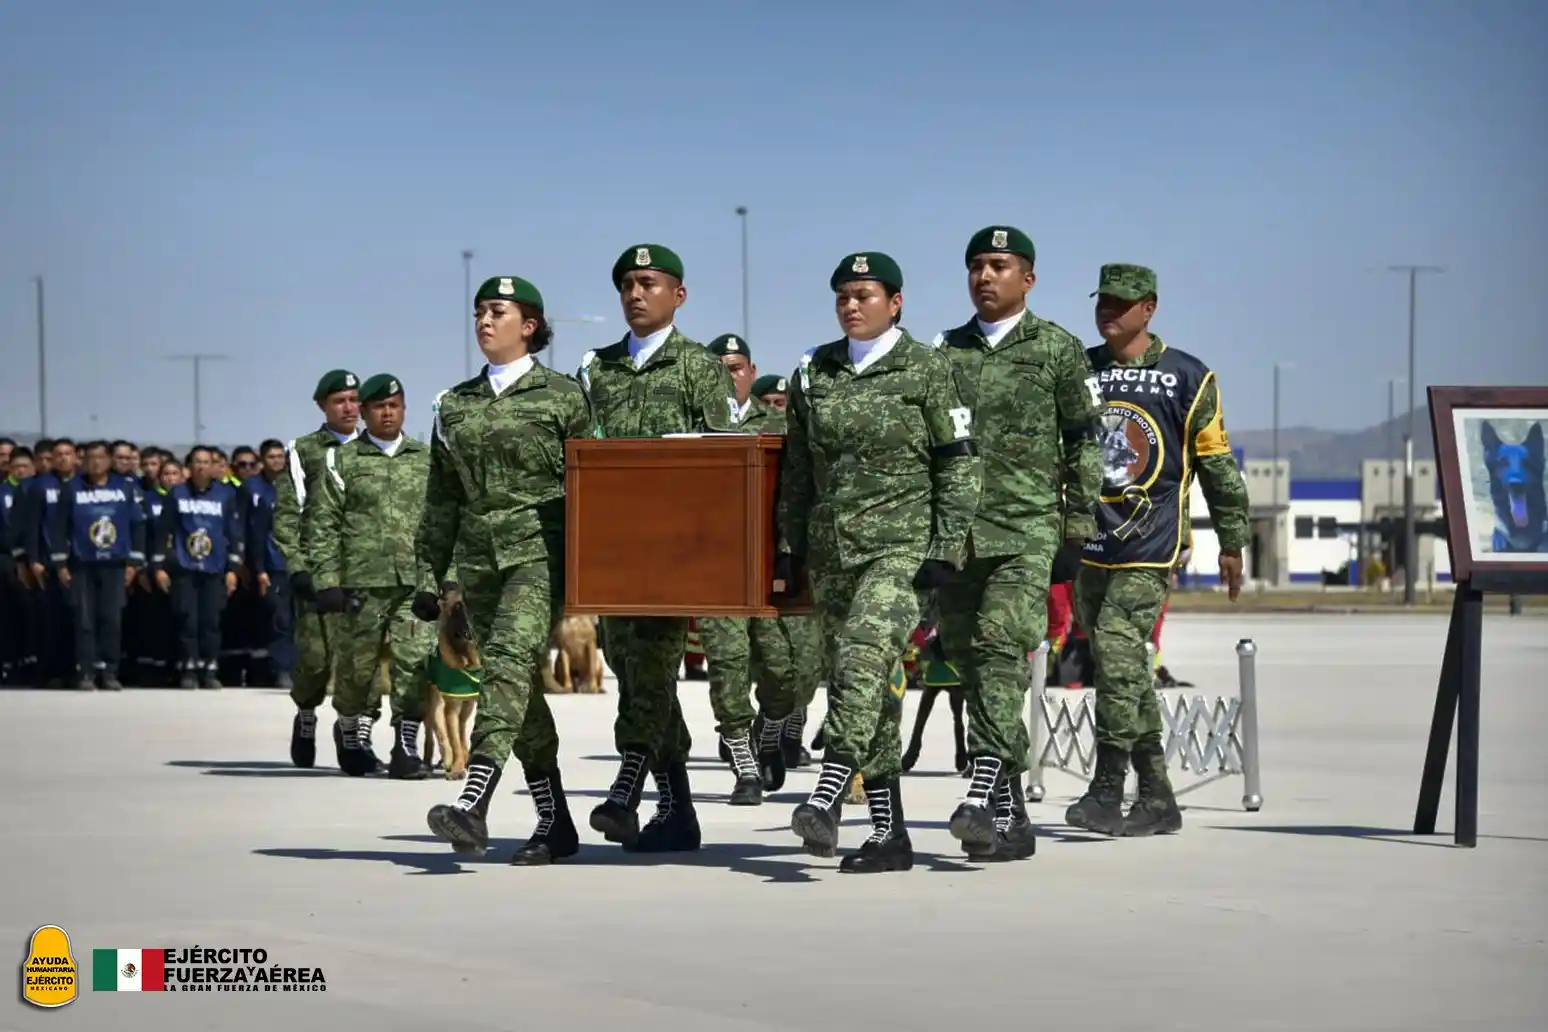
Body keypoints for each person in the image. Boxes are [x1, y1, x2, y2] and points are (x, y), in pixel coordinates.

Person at [776, 251, 982, 873]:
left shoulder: (928, 369)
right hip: (834, 552)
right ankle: (890, 834)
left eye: (864, 294)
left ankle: (829, 788)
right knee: (872, 691)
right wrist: (790, 550)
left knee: (863, 659)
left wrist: (947, 547)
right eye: (842, 295)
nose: (851, 305)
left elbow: (960, 460)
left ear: (895, 302)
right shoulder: (814, 371)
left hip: (902, 550)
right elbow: (799, 472)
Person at [930, 225, 1104, 861]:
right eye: (976, 265)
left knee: (1003, 657)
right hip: (959, 539)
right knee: (969, 664)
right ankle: (1012, 819)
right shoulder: (943, 352)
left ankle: (979, 791)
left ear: (1026, 278)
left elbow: (1087, 440)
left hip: (1027, 532)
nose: (984, 276)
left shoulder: (1057, 349)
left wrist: (1077, 528)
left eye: (998, 266)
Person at [1070, 263, 1250, 837]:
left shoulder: (1188, 377)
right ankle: (1157, 796)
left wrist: (1232, 540)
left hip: (1150, 543)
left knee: (1121, 654)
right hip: (1089, 544)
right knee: (1120, 671)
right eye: (1103, 302)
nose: (1109, 313)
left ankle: (1106, 786)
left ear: (1149, 308)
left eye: (1122, 304)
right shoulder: (1079, 370)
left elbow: (1218, 464)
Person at [420, 275, 594, 865]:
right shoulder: (454, 403)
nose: (484, 321)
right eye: (479, 312)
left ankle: (475, 799)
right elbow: (442, 497)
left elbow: (590, 485)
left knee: (513, 667)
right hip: (479, 561)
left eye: (497, 311)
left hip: (540, 556)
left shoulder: (565, 396)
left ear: (530, 326)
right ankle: (555, 822)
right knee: (514, 688)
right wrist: (429, 576)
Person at [579, 244, 737, 854]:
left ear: (679, 294)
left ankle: (627, 785)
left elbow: (721, 460)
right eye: (627, 284)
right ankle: (677, 811)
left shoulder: (699, 366)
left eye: (648, 283)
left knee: (650, 668)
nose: (635, 293)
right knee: (634, 671)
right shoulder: (599, 368)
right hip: (617, 552)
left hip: (677, 554)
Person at [696, 334, 823, 804]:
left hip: (764, 565)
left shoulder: (777, 425)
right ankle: (744, 764)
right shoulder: (694, 425)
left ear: (751, 371)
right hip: (713, 569)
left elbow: (794, 493)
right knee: (727, 667)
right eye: (719, 369)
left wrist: (791, 552)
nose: (728, 377)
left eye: (736, 368)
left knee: (785, 671)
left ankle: (769, 732)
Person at [307, 373, 436, 777]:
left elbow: (442, 522)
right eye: (379, 407)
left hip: (413, 584)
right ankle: (351, 734)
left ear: (403, 409)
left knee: (414, 664)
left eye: (394, 405)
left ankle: (406, 745)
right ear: (363, 412)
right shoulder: (342, 461)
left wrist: (441, 580)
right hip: (359, 584)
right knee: (356, 670)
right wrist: (326, 581)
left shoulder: (426, 459)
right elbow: (321, 524)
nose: (387, 413)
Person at [274, 370, 361, 766]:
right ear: (322, 406)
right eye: (339, 400)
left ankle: (352, 733)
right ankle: (306, 715)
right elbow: (288, 514)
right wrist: (297, 567)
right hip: (317, 572)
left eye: (354, 399)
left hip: (363, 572)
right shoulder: (304, 450)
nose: (349, 407)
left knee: (359, 662)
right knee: (314, 660)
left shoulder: (373, 447)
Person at [46, 440, 147, 691]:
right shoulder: (71, 489)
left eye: (100, 457)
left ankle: (109, 671)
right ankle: (86, 672)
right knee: (84, 620)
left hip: (114, 565)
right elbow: (58, 528)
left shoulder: (125, 488)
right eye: (90, 457)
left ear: (110, 460)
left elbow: (138, 525)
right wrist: (60, 564)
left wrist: (134, 563)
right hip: (82, 565)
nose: (95, 462)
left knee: (111, 619)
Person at [149, 446, 244, 689]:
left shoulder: (226, 495)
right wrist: (159, 566)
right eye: (197, 462)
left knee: (211, 621)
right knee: (187, 620)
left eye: (206, 462)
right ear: (188, 467)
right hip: (184, 568)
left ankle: (210, 669)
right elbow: (163, 532)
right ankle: (189, 669)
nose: (202, 466)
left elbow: (233, 534)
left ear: (214, 466)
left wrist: (233, 568)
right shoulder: (176, 494)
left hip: (215, 569)